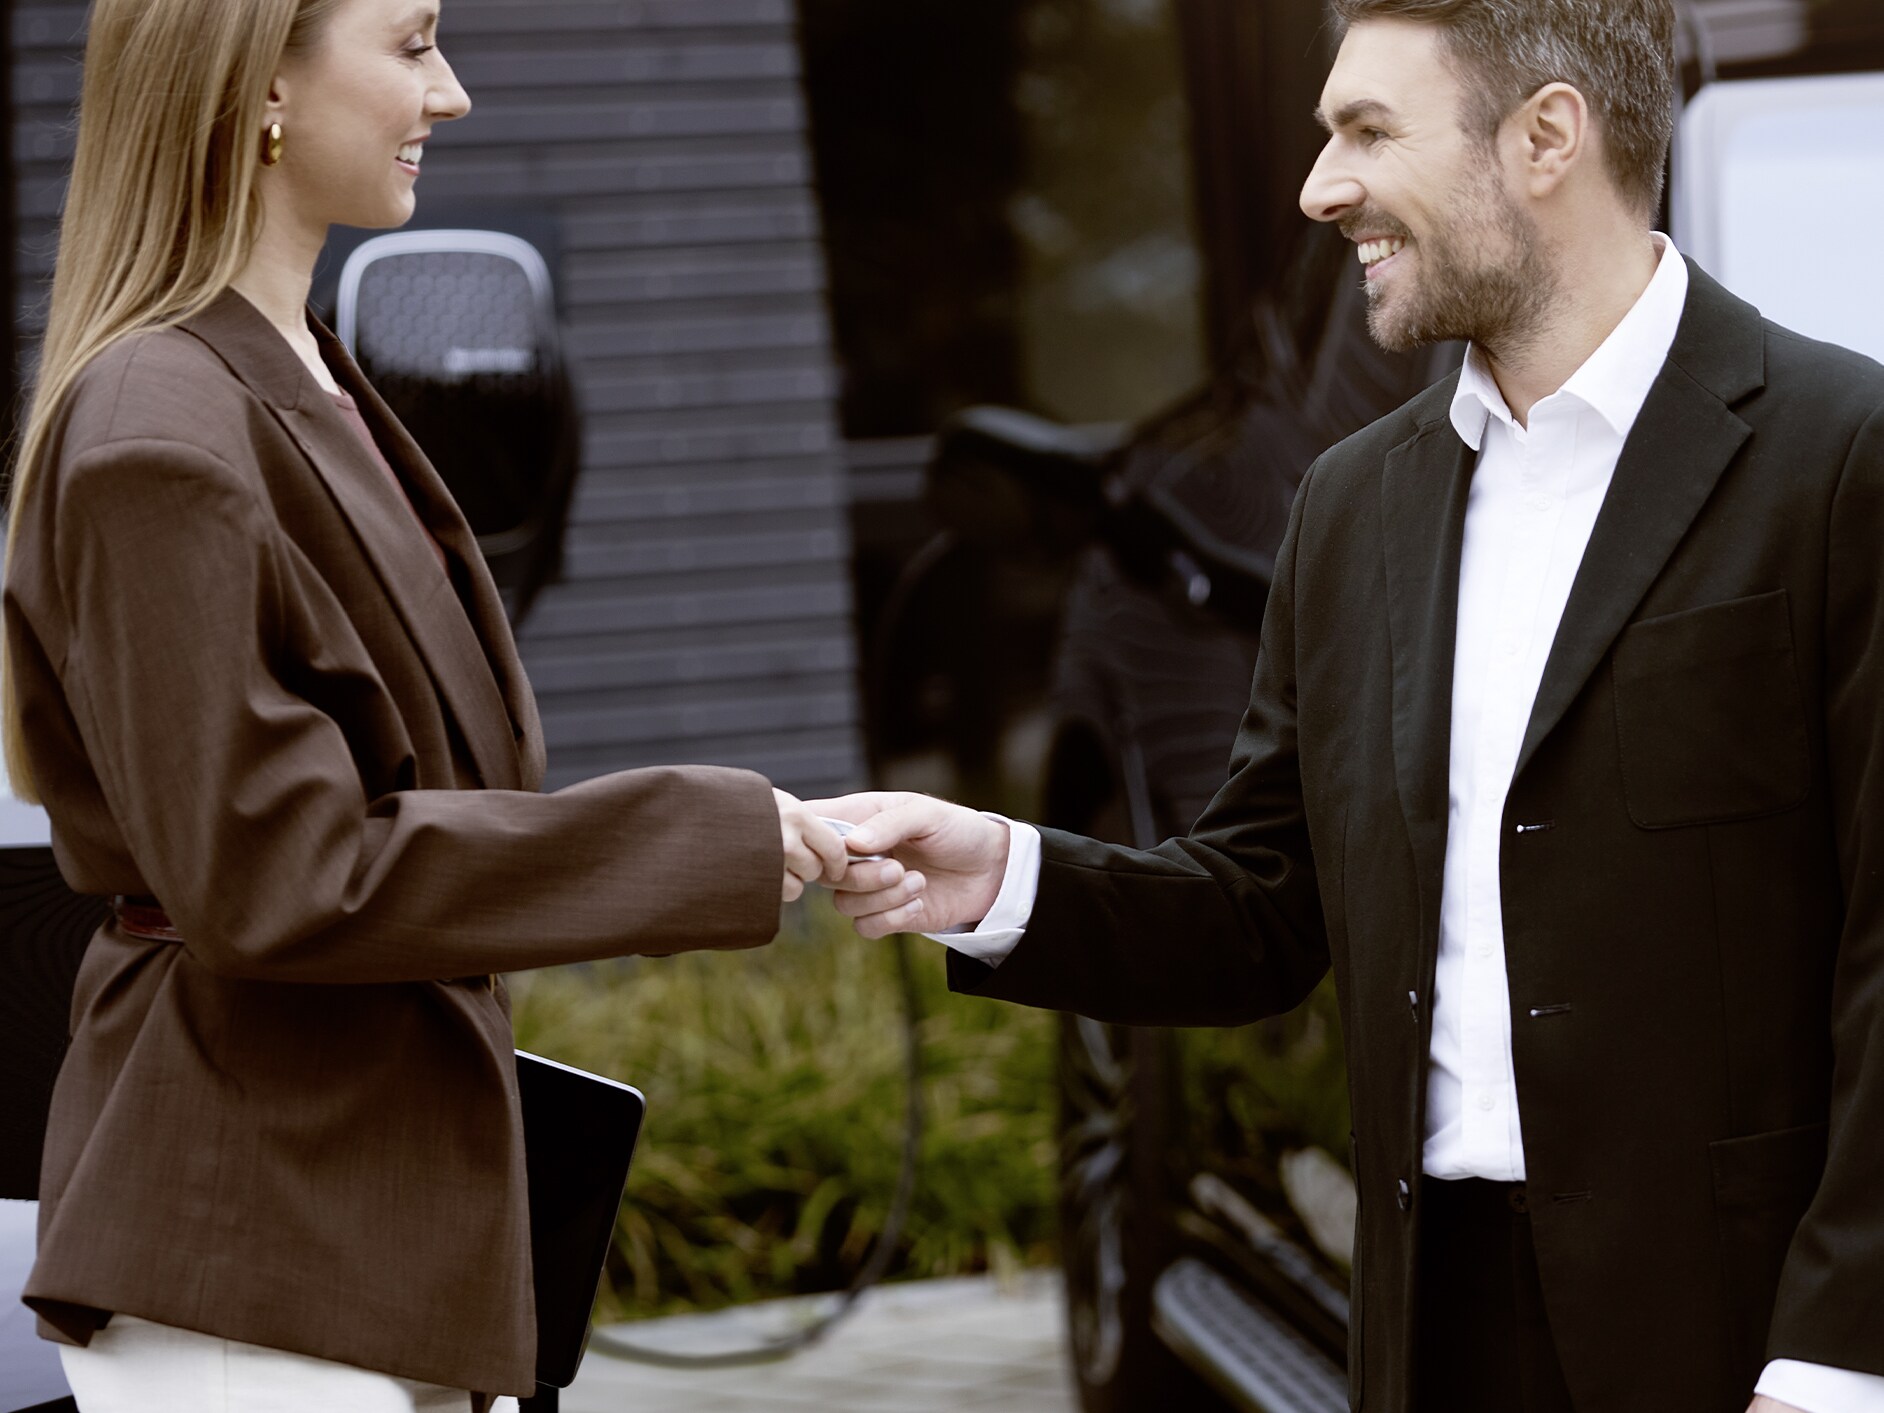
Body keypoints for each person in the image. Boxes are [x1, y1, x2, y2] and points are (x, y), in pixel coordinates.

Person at [818, 2, 1884, 1411]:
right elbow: (1266, 904)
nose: (1320, 188)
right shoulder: (1352, 506)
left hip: (1732, 1340)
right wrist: (1003, 876)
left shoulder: (1839, 458)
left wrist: (1834, 1359)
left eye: (1366, 131)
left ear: (1545, 137)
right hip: (1423, 1329)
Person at [0, 0, 850, 1408]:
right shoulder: (160, 424)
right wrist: (697, 842)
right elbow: (277, 874)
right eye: (411, 44)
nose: (449, 96)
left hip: (349, 1231)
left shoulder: (306, 378)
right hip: (253, 1243)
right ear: (259, 79)